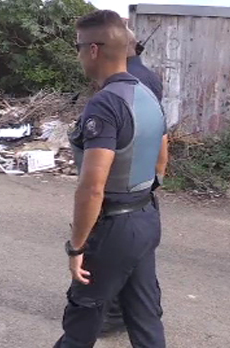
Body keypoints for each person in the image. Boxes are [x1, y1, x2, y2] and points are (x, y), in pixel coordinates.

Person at [54, 10, 168, 348]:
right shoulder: (147, 91)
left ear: (93, 50)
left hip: (115, 227)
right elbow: (163, 156)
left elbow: (92, 188)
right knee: (145, 318)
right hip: (146, 218)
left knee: (81, 322)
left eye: (78, 47)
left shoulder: (105, 104)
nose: (77, 55)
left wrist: (77, 246)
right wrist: (141, 197)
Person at [99, 27, 167, 337]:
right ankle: (145, 309)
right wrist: (156, 180)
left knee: (115, 254)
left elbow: (97, 173)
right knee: (141, 257)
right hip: (143, 185)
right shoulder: (149, 78)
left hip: (121, 187)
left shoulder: (123, 82)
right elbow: (160, 135)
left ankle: (113, 313)